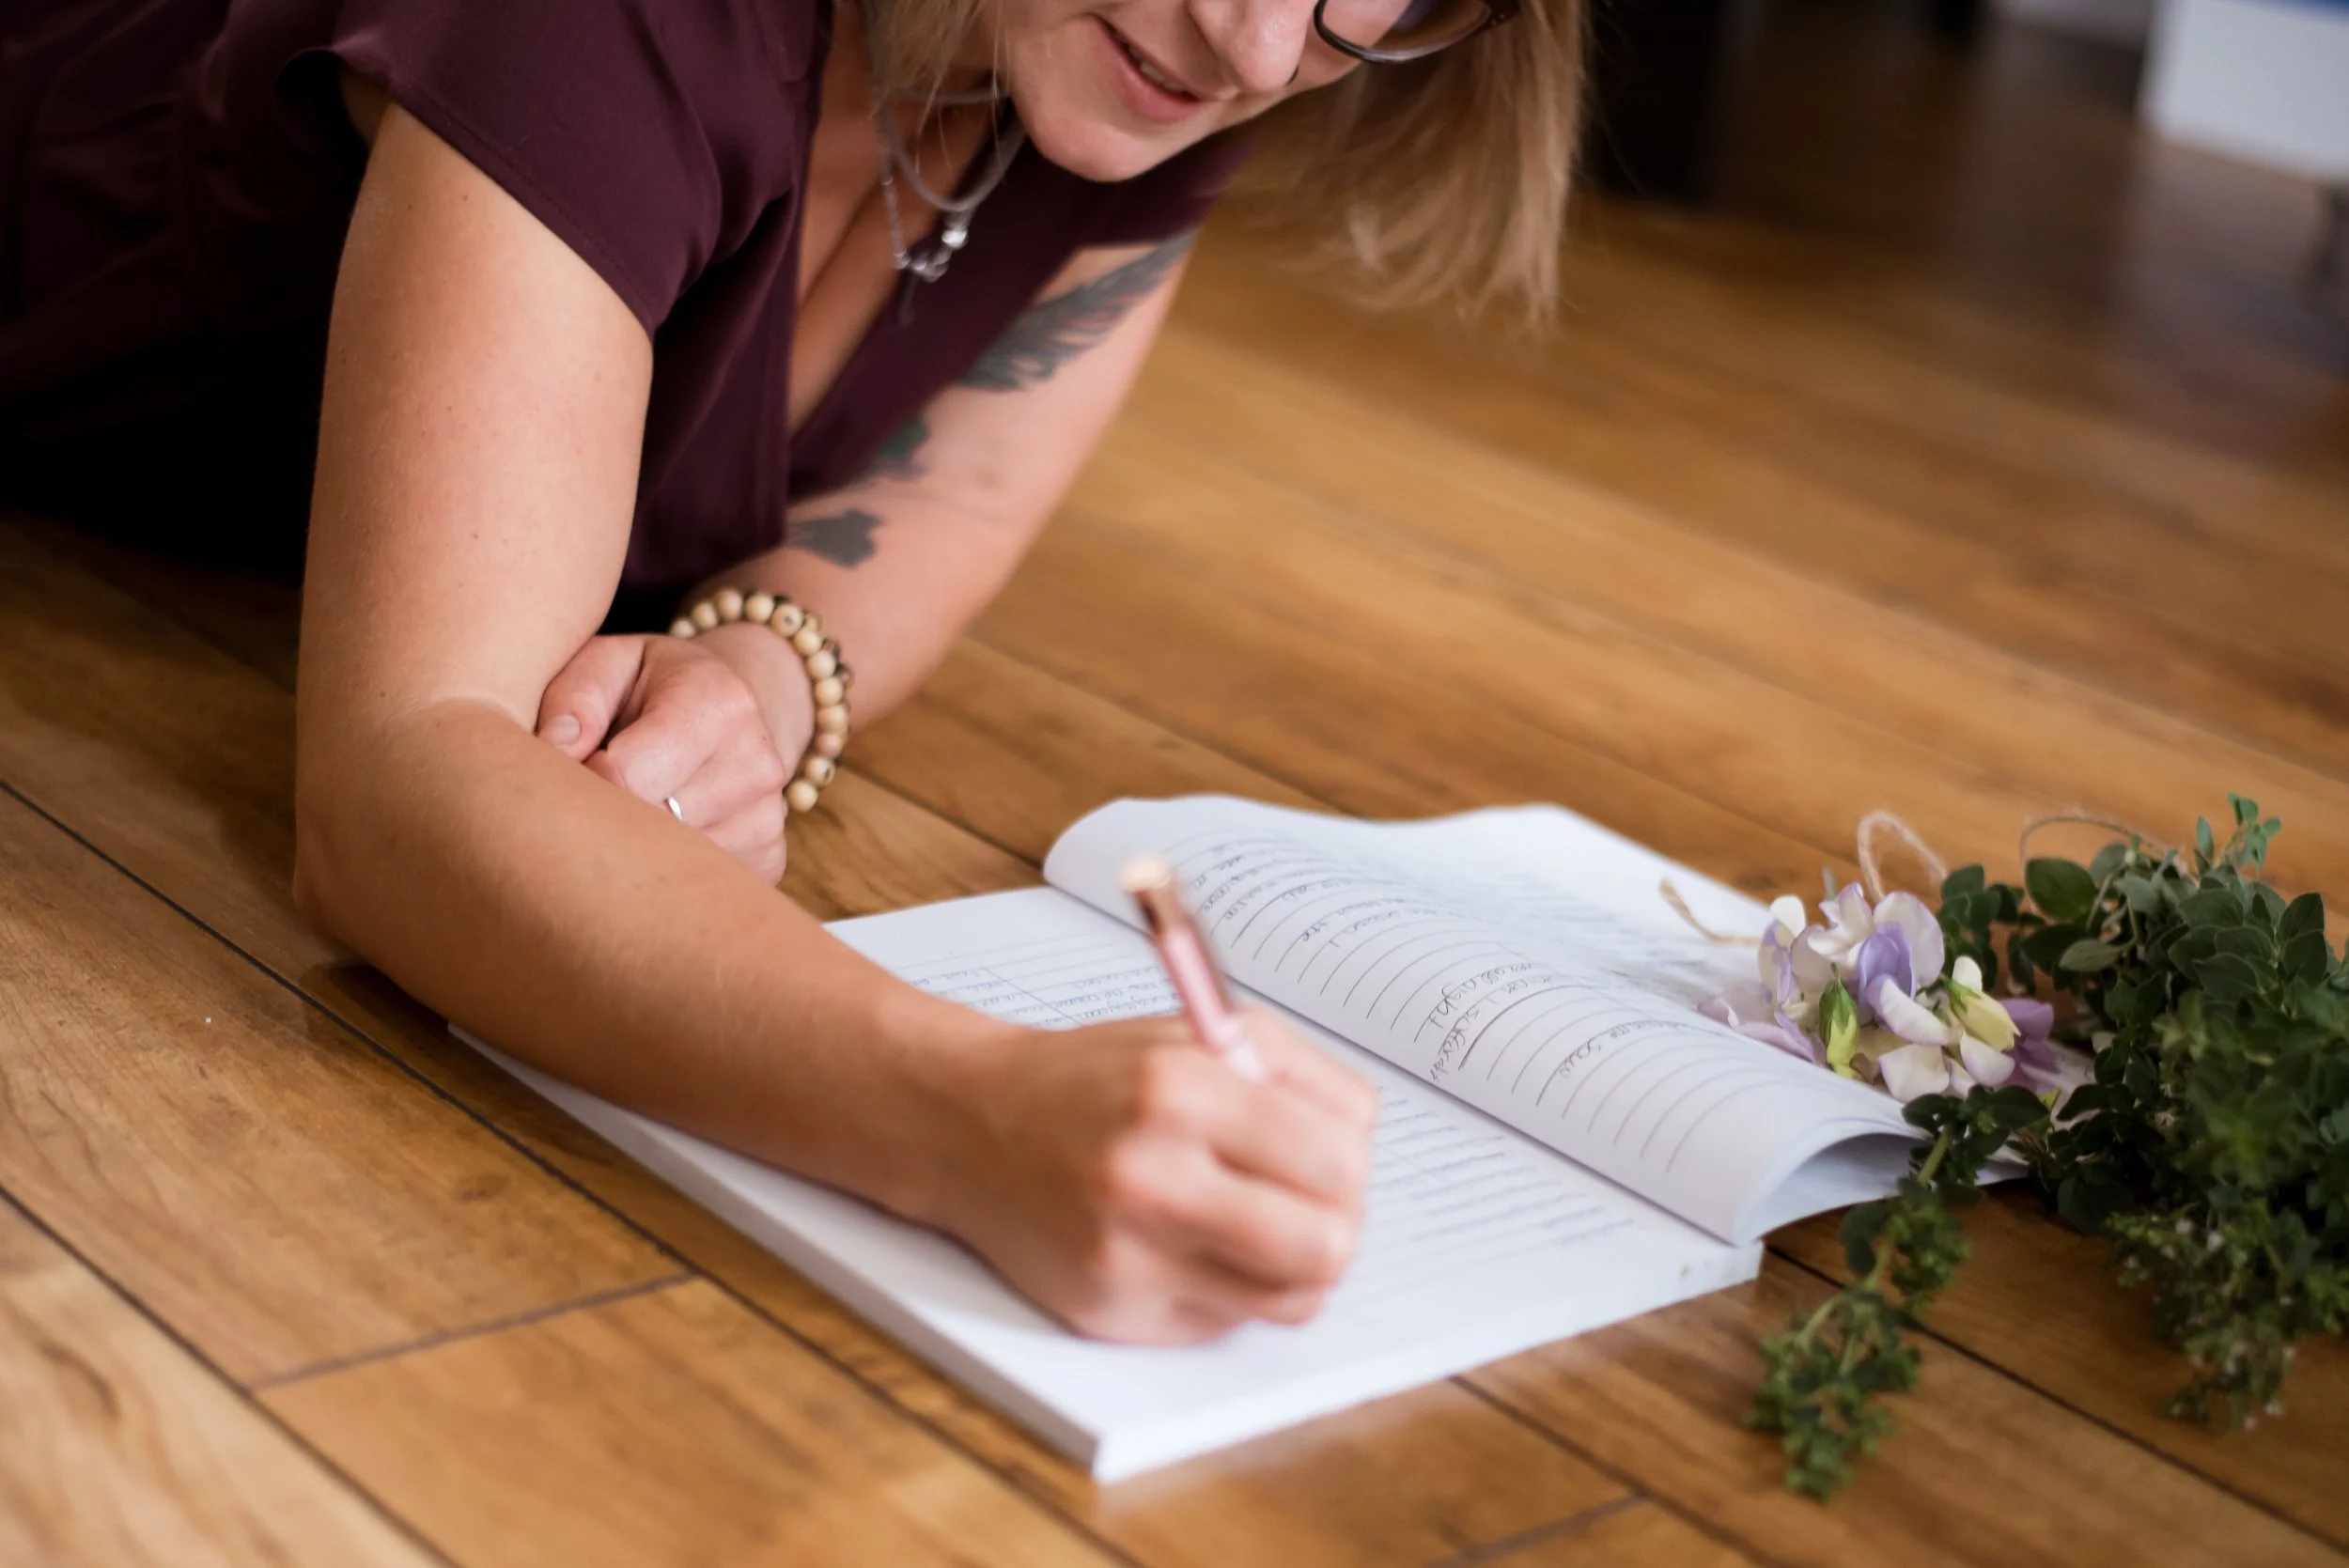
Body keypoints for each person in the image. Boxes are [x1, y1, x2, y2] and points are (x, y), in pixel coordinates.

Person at [1, 0, 1581, 1343]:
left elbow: (943, 492)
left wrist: (756, 679)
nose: (1252, 48)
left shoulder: (1150, 60)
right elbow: (396, 782)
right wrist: (974, 1125)